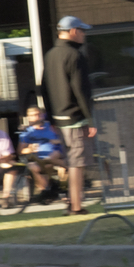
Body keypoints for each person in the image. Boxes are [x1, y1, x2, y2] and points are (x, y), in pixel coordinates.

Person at [43, 15, 98, 216]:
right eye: (82, 31)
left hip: (58, 118)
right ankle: (75, 206)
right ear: (73, 31)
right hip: (75, 118)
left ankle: (71, 202)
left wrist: (50, 118)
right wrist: (90, 119)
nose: (84, 35)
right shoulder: (75, 56)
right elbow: (80, 90)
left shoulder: (50, 55)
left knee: (71, 160)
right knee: (77, 163)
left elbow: (43, 88)